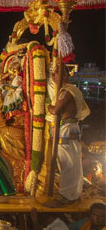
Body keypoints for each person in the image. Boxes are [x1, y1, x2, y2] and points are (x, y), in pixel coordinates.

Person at [46, 65, 90, 206]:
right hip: (72, 127)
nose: (55, 76)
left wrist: (47, 106)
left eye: (58, 73)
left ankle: (65, 197)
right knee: (73, 161)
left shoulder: (66, 91)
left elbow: (56, 110)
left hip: (65, 128)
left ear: (65, 75)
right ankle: (74, 195)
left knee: (67, 163)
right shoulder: (69, 89)